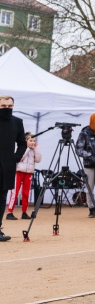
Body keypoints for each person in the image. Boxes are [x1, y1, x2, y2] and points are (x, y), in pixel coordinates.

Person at [0, 96, 26, 242]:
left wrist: (15, 157)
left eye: (10, 106)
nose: (7, 108)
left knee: (2, 198)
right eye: (3, 106)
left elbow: (22, 143)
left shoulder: (17, 122)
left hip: (7, 167)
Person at [8, 132, 40, 220]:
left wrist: (36, 148)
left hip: (29, 172)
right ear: (26, 141)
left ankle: (24, 212)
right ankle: (10, 212)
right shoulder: (22, 148)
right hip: (19, 172)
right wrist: (26, 148)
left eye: (34, 140)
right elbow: (19, 158)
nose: (32, 142)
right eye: (30, 140)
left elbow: (38, 159)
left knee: (26, 193)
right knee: (15, 192)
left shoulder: (34, 149)